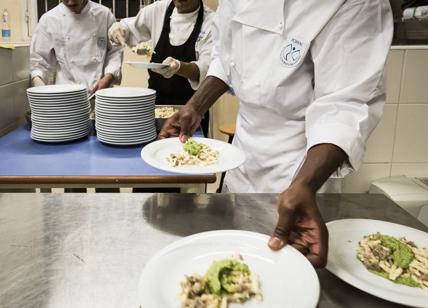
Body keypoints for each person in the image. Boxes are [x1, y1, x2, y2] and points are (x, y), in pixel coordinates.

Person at [159, 0, 393, 267]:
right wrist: (195, 106)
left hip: (301, 173)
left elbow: (343, 105)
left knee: (291, 276)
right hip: (243, 163)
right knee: (235, 268)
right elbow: (225, 59)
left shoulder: (354, 3)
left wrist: (305, 184)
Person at [108, 0, 214, 136]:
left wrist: (179, 67)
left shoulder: (211, 22)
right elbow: (129, 28)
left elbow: (205, 71)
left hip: (191, 111)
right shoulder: (159, 9)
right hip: (154, 107)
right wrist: (119, 29)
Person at [30, 0, 122, 93]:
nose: (70, 3)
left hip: (99, 93)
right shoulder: (49, 19)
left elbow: (115, 51)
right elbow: (39, 60)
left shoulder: (104, 15)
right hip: (65, 94)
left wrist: (108, 77)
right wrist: (38, 82)